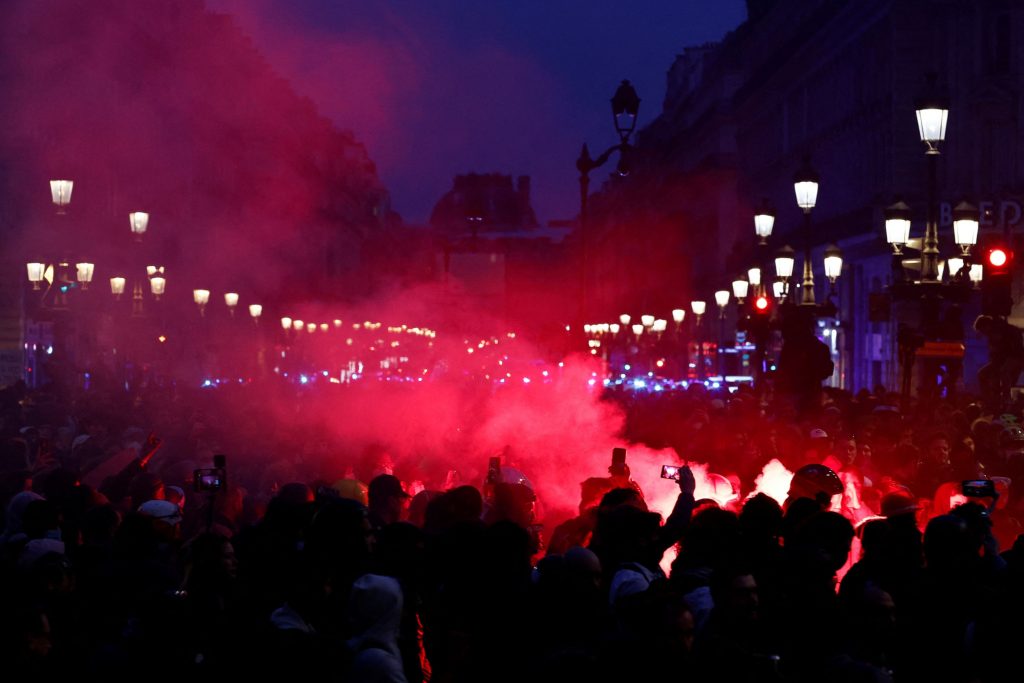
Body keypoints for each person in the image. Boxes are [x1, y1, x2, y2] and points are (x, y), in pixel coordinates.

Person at [974, 314, 1024, 412]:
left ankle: (1006, 398)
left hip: (1016, 358)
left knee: (1004, 372)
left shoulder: (1005, 331)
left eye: (983, 330)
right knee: (982, 374)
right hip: (1003, 360)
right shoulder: (994, 335)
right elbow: (996, 355)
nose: (984, 334)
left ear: (987, 325)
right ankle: (990, 400)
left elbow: (1013, 350)